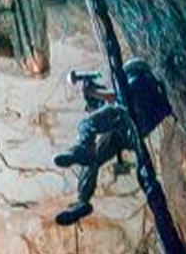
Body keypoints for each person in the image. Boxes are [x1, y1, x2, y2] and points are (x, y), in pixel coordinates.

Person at [53, 59, 172, 226]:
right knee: (92, 159)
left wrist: (95, 93)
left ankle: (82, 147)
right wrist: (95, 98)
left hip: (125, 119)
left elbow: (117, 97)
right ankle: (82, 201)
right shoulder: (153, 90)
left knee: (86, 125)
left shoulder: (139, 81)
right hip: (129, 134)